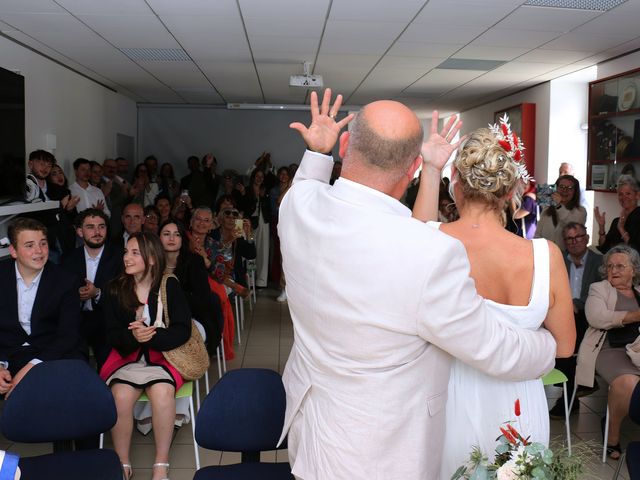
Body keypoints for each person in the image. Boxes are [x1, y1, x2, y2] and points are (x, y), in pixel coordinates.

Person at [278, 89, 558, 479]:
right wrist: (548, 344)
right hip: (383, 455)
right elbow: (493, 348)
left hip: (312, 438)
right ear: (413, 168)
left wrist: (318, 152)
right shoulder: (429, 252)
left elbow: (308, 181)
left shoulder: (297, 207)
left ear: (345, 144)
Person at [412, 120, 574, 477]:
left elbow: (416, 231)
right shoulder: (545, 255)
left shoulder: (430, 241)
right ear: (510, 191)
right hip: (518, 402)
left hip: (449, 397)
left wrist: (431, 167)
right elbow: (564, 346)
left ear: (456, 185)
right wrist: (520, 343)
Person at [100, 232, 191, 480]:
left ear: (151, 258)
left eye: (134, 253)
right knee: (119, 396)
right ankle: (122, 462)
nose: (126, 258)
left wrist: (152, 337)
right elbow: (110, 334)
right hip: (125, 358)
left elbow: (183, 330)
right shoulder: (115, 288)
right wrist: (133, 339)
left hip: (161, 358)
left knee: (162, 393)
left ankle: (161, 464)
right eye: (126, 252)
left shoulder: (168, 284)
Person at [0, 218, 82, 398]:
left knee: (59, 394)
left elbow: (68, 335)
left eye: (43, 243)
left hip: (52, 352)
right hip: (7, 352)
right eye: (29, 245)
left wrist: (29, 369)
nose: (39, 251)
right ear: (13, 251)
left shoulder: (66, 280)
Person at [576, 244, 640, 460]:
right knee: (627, 382)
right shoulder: (599, 288)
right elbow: (596, 317)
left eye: (621, 266)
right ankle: (611, 436)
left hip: (637, 348)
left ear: (634, 270)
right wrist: (634, 315)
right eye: (610, 266)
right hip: (609, 349)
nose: (614, 270)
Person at [549, 222, 602, 418]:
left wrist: (575, 304)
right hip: (560, 314)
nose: (574, 242)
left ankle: (569, 397)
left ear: (587, 238)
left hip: (589, 316)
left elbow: (601, 293)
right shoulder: (558, 260)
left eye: (578, 237)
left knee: (571, 344)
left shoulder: (599, 261)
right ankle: (578, 388)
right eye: (569, 238)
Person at [62, 208, 123, 369]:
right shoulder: (68, 259)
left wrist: (97, 293)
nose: (97, 231)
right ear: (80, 232)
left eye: (101, 226)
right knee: (74, 363)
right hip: (78, 321)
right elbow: (61, 294)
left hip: (108, 320)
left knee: (107, 365)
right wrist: (76, 296)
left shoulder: (120, 257)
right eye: (90, 227)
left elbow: (125, 295)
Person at [534, 174, 585, 251]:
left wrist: (559, 205)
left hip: (566, 256)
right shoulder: (547, 209)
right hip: (545, 252)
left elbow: (572, 227)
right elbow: (538, 233)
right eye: (561, 187)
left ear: (575, 192)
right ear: (555, 188)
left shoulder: (580, 211)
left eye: (570, 188)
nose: (565, 190)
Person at [595, 174, 640, 254]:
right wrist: (601, 227)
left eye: (628, 193)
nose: (624, 197)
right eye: (620, 194)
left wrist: (621, 229)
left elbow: (636, 251)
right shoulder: (616, 221)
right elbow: (604, 248)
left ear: (637, 195)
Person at [242, 168, 271, 288]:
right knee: (250, 250)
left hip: (263, 221)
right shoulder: (247, 190)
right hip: (250, 222)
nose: (259, 179)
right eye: (257, 176)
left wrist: (263, 196)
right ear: (253, 177)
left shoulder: (265, 190)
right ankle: (250, 280)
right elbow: (244, 207)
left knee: (263, 251)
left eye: (261, 177)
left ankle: (261, 281)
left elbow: (267, 207)